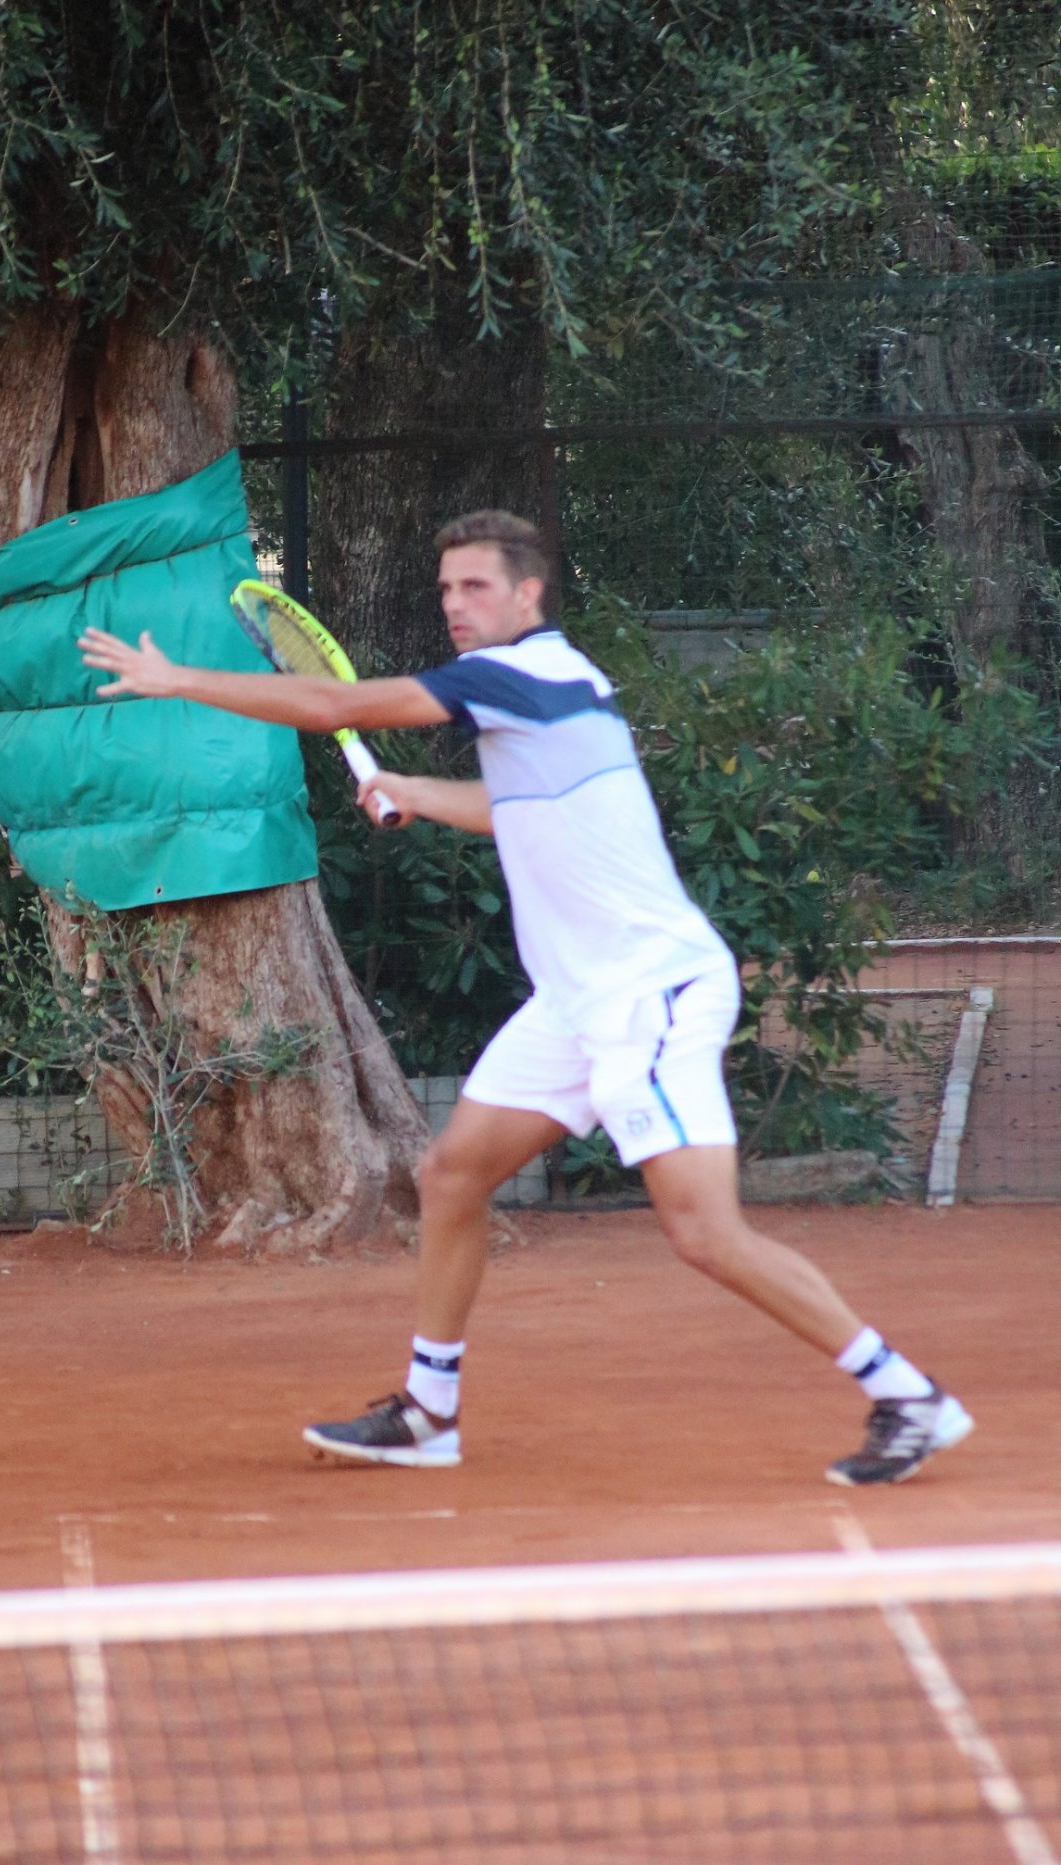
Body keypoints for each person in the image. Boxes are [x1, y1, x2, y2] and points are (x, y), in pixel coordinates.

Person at [78, 510, 974, 1487]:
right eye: (445, 591)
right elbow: (520, 812)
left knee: (702, 1233)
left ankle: (905, 1395)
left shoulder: (520, 674)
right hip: (573, 1002)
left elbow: (336, 703)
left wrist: (182, 682)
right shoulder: (548, 689)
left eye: (474, 588)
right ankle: (429, 1411)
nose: (454, 606)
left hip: (648, 992)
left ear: (526, 595)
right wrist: (416, 794)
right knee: (453, 1175)